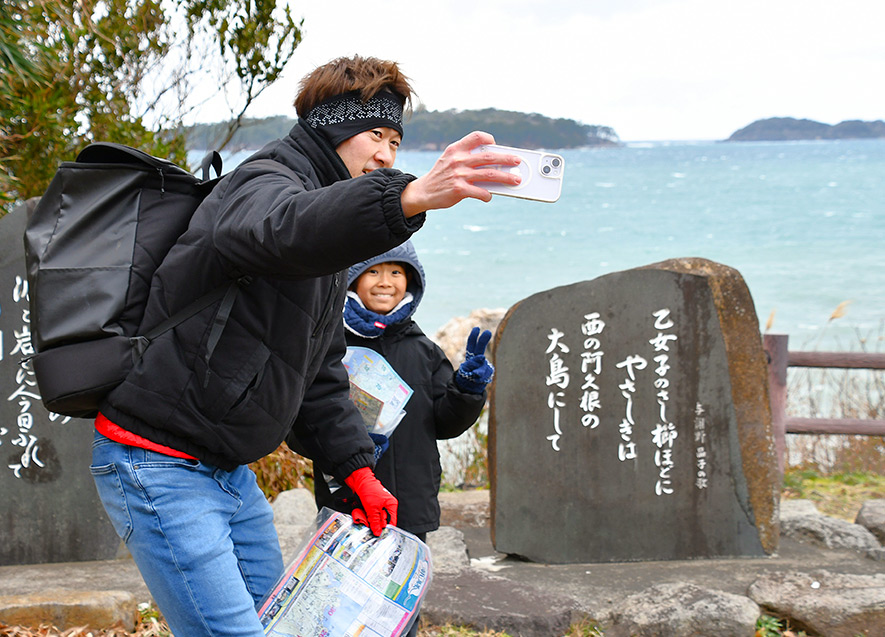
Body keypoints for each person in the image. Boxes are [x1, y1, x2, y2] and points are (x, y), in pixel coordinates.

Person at [88, 54, 522, 636]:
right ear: (334, 126)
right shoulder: (264, 182)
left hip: (225, 470)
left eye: (396, 141)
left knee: (288, 623)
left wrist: (358, 471)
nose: (387, 156)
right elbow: (279, 227)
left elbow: (319, 371)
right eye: (377, 135)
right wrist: (408, 198)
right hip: (156, 461)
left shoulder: (323, 235)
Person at [306, 240, 494, 636]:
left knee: (399, 608)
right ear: (352, 281)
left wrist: (468, 388)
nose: (385, 282)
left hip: (408, 501)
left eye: (396, 272)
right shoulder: (329, 348)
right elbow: (305, 424)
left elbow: (445, 422)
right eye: (373, 271)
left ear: (410, 281)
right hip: (348, 501)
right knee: (344, 608)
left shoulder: (423, 350)